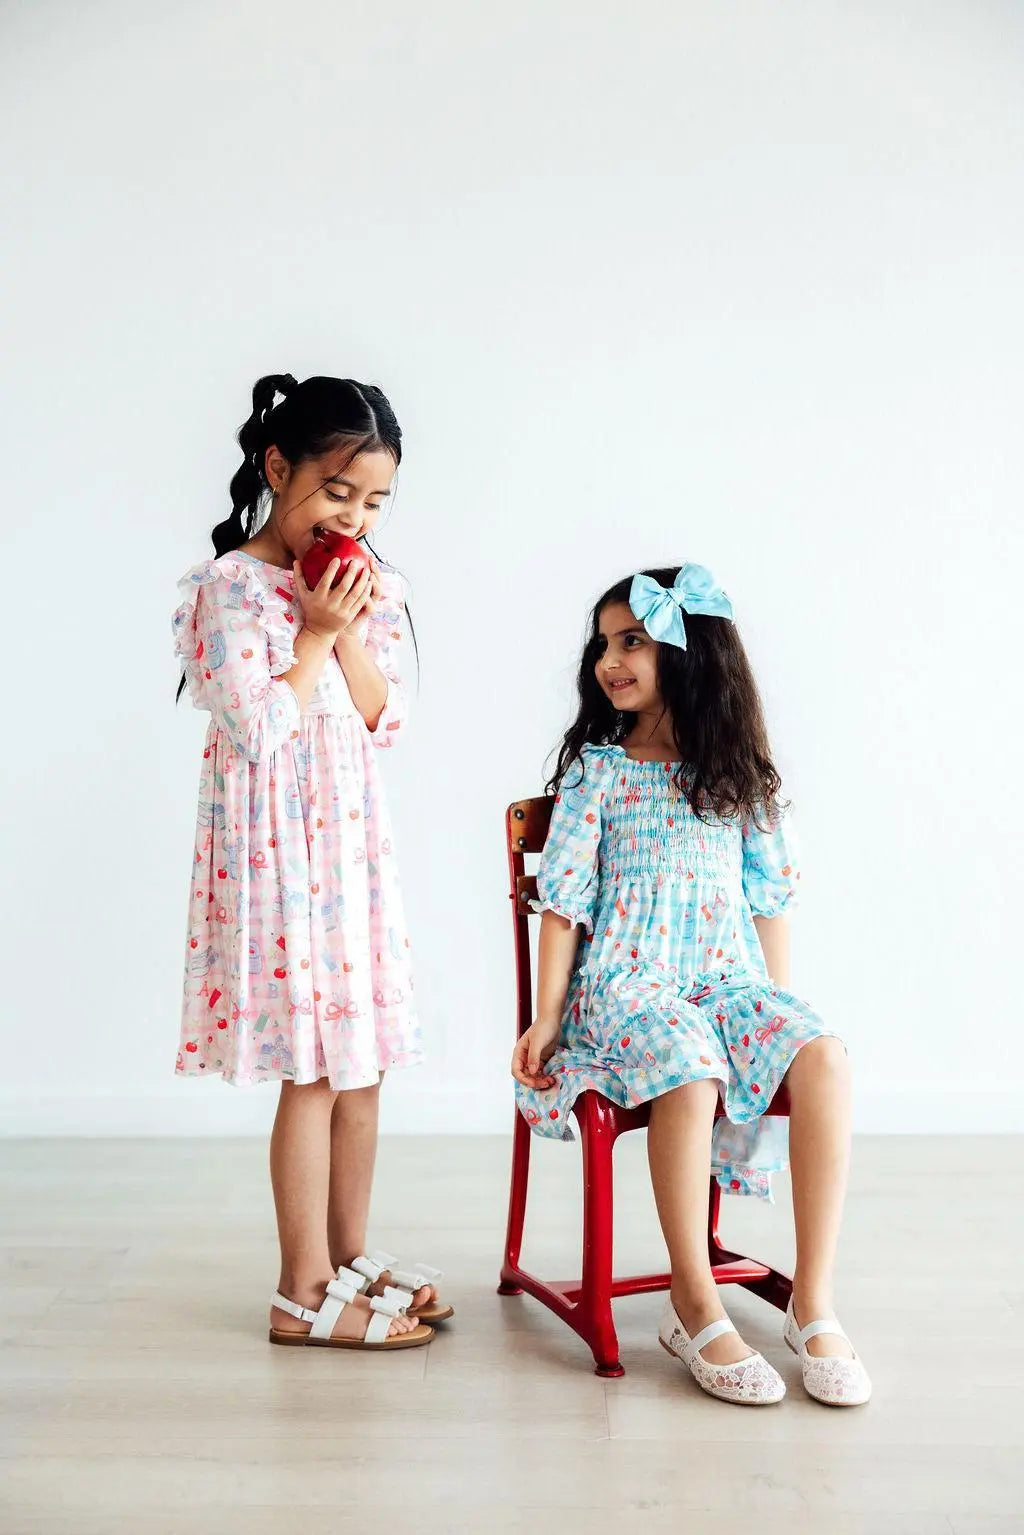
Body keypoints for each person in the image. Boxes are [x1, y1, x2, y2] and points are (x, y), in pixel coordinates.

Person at [512, 565, 869, 1405]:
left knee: (820, 1054)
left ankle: (812, 1302)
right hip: (627, 984)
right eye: (604, 642)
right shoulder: (599, 772)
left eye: (632, 639)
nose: (610, 658)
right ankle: (693, 1295)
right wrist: (546, 1018)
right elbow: (561, 906)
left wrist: (775, 1018)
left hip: (722, 974)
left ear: (689, 649)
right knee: (687, 1056)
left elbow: (769, 901)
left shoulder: (736, 773)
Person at [173, 373, 451, 1351]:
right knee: (316, 1069)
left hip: (349, 847)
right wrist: (317, 631)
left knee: (363, 1063)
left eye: (374, 502)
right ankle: (300, 1289)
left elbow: (385, 720)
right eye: (337, 493)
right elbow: (256, 728)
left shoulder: (361, 580)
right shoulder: (228, 589)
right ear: (277, 467)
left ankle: (347, 1256)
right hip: (278, 850)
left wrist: (348, 624)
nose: (355, 517)